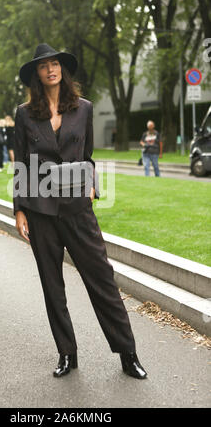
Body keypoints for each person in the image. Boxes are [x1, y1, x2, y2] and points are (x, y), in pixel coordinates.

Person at [13, 43, 147, 380]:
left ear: (63, 70)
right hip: (40, 211)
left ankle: (127, 353)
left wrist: (91, 185)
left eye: (55, 64)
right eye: (44, 66)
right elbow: (21, 164)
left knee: (101, 279)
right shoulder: (25, 114)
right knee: (52, 286)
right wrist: (19, 210)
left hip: (77, 208)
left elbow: (86, 156)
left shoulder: (83, 109)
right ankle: (66, 354)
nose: (51, 70)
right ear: (37, 75)